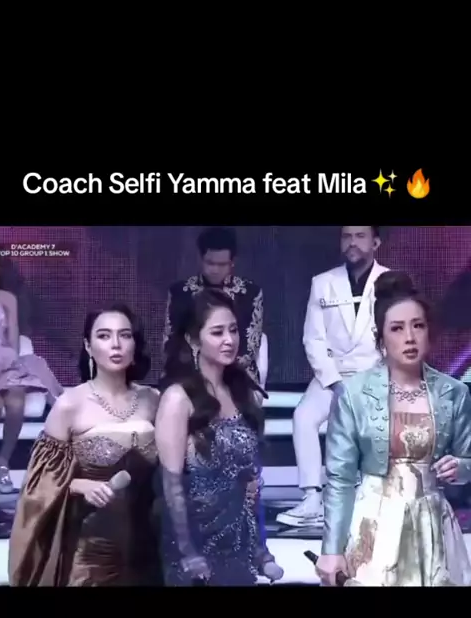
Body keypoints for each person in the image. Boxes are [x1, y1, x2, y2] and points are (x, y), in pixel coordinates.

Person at [316, 271, 471, 587]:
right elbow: (340, 479)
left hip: (433, 527)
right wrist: (331, 550)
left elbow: (468, 461)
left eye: (418, 326)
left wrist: (461, 468)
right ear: (380, 337)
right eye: (397, 328)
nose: (409, 337)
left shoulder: (454, 392)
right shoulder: (354, 395)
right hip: (374, 524)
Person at [8, 303, 164, 586]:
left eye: (124, 335)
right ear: (88, 347)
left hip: (148, 548)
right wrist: (80, 485)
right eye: (104, 336)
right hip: (90, 552)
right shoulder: (70, 405)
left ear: (135, 343)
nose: (115, 344)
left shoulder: (154, 400)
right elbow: (37, 486)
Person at [156, 287, 283, 586]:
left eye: (233, 330)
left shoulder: (243, 393)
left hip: (237, 543)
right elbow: (171, 486)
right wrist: (188, 552)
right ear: (193, 340)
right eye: (217, 332)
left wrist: (261, 551)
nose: (229, 340)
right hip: (194, 543)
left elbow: (251, 486)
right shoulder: (178, 398)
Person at [277, 226, 388, 528]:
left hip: (374, 375)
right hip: (332, 376)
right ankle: (312, 498)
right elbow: (313, 339)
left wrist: (373, 381)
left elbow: (394, 335)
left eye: (360, 236)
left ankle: (367, 497)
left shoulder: (391, 281)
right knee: (303, 416)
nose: (352, 242)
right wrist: (335, 382)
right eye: (346, 236)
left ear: (375, 242)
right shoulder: (322, 283)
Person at [0, 254, 63, 494]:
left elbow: (13, 334)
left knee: (16, 400)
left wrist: (9, 361)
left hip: (3, 359)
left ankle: (2, 463)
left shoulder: (7, 298)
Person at [162, 227, 264, 385]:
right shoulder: (180, 293)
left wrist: (217, 373)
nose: (215, 270)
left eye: (222, 264)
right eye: (210, 263)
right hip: (188, 376)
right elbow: (171, 344)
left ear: (232, 262)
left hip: (237, 377)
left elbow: (249, 348)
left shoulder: (250, 293)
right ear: (200, 259)